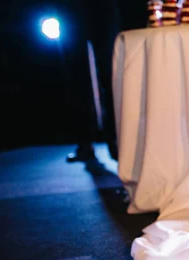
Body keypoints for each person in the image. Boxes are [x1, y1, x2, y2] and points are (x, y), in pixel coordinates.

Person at [66, 1, 120, 163]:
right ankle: (84, 142)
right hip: (71, 10)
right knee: (77, 75)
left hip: (101, 8)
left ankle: (117, 139)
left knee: (110, 71)